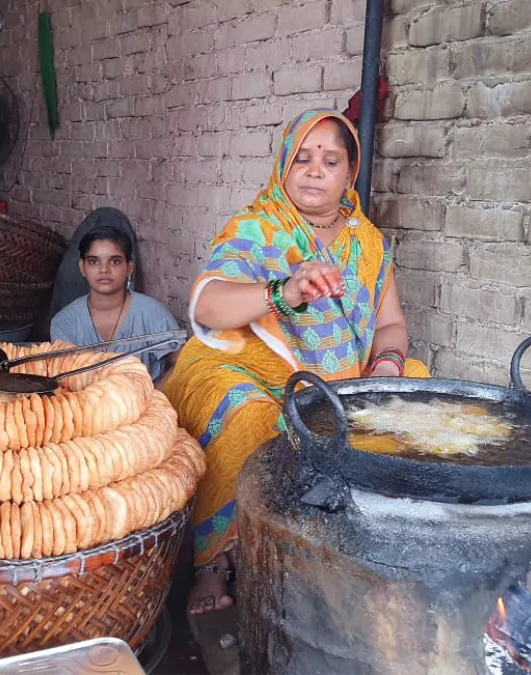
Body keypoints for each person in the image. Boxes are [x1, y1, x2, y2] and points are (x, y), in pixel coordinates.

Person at [164, 109, 430, 615]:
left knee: (415, 384)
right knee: (244, 411)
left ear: (348, 174)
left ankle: (361, 528)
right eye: (303, 157)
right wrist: (283, 292)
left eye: (330, 160)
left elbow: (392, 325)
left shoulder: (368, 242)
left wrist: (387, 365)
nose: (314, 170)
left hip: (334, 379)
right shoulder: (258, 226)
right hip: (245, 365)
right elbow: (207, 305)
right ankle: (215, 558)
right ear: (284, 163)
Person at [50, 225, 181, 386]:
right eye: (94, 261)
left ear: (129, 268)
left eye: (115, 261)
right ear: (82, 268)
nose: (104, 269)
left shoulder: (153, 314)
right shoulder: (65, 322)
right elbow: (65, 380)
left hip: (146, 408)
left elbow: (182, 362)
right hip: (84, 407)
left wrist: (156, 397)